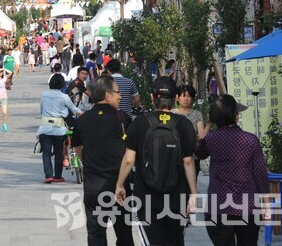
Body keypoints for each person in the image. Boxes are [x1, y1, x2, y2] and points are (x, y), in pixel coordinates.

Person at [115, 77, 198, 246]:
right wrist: (194, 193)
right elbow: (188, 161)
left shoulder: (140, 123)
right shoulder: (185, 124)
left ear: (153, 97)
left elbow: (129, 159)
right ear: (175, 98)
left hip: (146, 199)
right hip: (177, 198)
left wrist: (120, 185)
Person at [194, 94, 270, 246]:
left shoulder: (211, 140)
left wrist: (209, 124)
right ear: (236, 116)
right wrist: (267, 206)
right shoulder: (250, 140)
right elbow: (260, 174)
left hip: (218, 206)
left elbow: (199, 152)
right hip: (247, 206)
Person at [73, 75, 134, 246]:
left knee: (96, 235)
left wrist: (87, 162)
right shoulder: (122, 119)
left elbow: (77, 147)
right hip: (119, 188)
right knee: (124, 235)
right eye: (117, 93)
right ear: (107, 95)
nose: (120, 96)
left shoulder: (82, 120)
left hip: (93, 188)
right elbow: (130, 154)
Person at [38, 74, 82, 183]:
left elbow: (41, 110)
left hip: (44, 127)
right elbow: (74, 109)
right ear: (62, 84)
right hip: (59, 128)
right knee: (58, 152)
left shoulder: (44, 95)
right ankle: (58, 176)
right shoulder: (64, 97)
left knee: (46, 152)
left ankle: (48, 176)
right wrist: (82, 113)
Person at [172, 84, 205, 177]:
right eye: (183, 96)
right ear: (177, 98)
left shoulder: (197, 114)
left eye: (189, 96)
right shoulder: (171, 113)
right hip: (174, 155)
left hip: (192, 156)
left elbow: (201, 135)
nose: (186, 99)